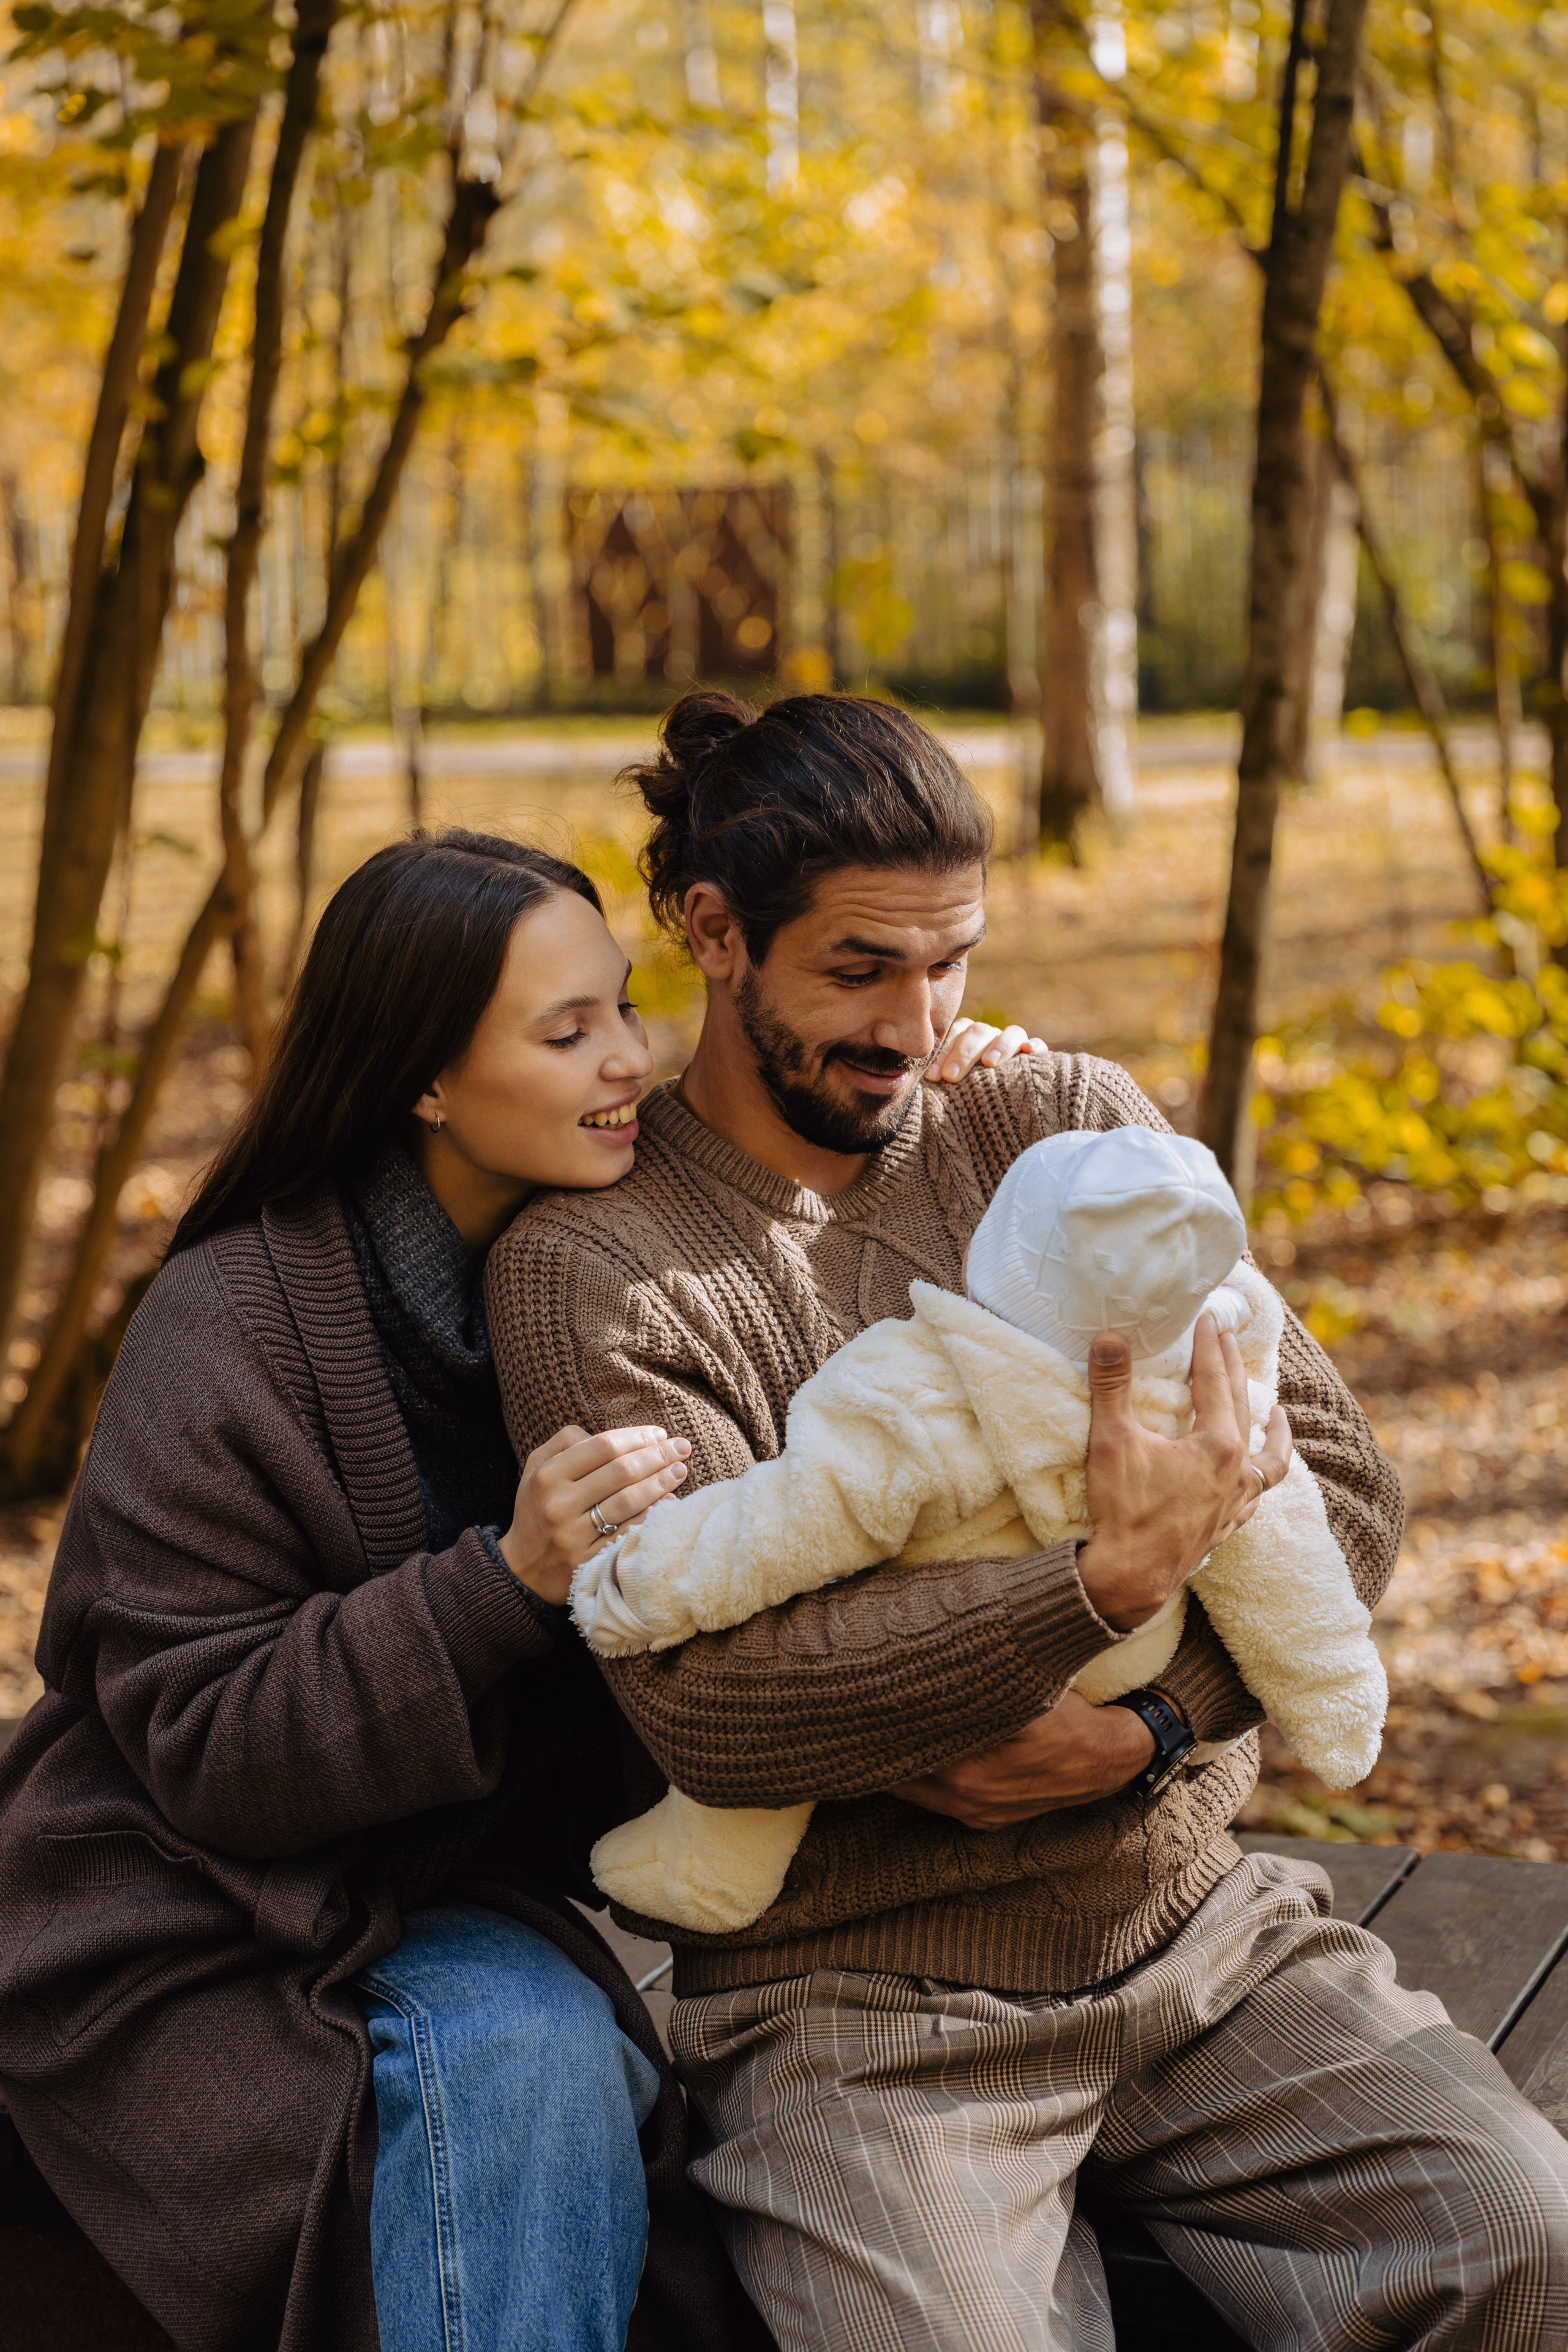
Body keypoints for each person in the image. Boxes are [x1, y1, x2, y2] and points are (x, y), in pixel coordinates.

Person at [488, 688, 1568, 2352]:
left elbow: (1342, 1483)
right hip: (851, 2002)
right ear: (711, 932)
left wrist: (1151, 1723)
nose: (919, 1023)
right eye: (860, 969)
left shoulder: (1057, 1123)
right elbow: (708, 1697)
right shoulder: (600, 1271)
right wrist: (1090, 1589)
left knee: (1535, 2241)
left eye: (954, 963)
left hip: (1196, 1934)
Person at [0, 824, 1027, 2352]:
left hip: (437, 1903)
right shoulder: (231, 1321)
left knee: (538, 2054)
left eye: (621, 1004)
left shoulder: (601, 1280)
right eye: (566, 1033)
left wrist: (963, 1099)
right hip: (180, 1917)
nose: (628, 1059)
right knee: (519, 2073)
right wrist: (499, 1583)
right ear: (422, 1077)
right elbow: (197, 1744)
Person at [573, 1124, 1384, 1938]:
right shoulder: (1214, 1388)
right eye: (855, 982)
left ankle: (709, 1871)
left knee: (801, 1652)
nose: (915, 1017)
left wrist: (640, 1586)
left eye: (938, 981)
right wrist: (1330, 1699)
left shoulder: (923, 1397)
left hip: (1179, 1895)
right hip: (883, 1941)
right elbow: (1289, 1559)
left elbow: (784, 1524)